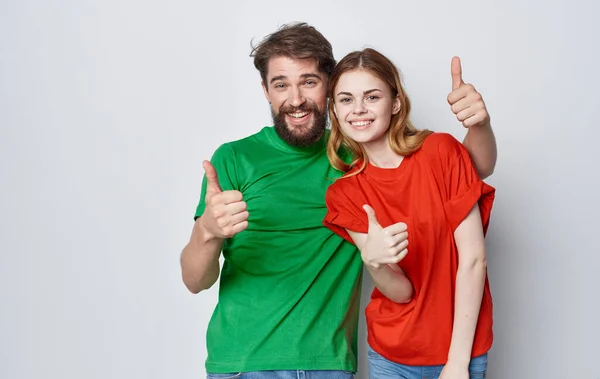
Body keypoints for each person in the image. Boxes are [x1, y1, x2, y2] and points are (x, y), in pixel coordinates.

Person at [180, 22, 497, 379]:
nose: (296, 98)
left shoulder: (355, 155)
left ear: (328, 87)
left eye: (309, 82)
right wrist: (208, 229)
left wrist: (479, 124)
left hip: (329, 364)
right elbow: (194, 281)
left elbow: (470, 168)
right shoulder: (235, 159)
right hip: (242, 363)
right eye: (281, 84)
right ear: (266, 91)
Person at [322, 48, 495, 379]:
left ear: (396, 103)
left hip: (462, 351)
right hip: (391, 356)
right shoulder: (344, 193)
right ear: (334, 110)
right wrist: (374, 261)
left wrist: (457, 363)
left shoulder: (440, 152)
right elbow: (401, 292)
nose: (358, 109)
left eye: (371, 97)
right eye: (345, 100)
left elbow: (474, 259)